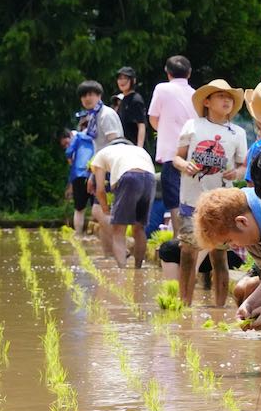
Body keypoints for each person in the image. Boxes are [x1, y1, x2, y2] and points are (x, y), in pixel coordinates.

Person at [172, 80, 248, 307]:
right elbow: (177, 157)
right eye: (220, 96)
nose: (226, 100)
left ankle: (219, 307)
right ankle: (183, 304)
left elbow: (243, 166)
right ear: (207, 101)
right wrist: (184, 165)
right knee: (188, 251)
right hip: (191, 199)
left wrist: (237, 174)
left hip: (222, 203)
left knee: (219, 255)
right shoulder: (192, 126)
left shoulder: (238, 133)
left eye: (229, 97)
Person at [193, 187, 261, 334]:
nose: (233, 246)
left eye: (230, 240)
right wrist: (249, 304)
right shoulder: (251, 233)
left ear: (241, 222)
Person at [89, 139, 156, 268]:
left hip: (129, 176)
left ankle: (122, 271)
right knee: (139, 228)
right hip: (150, 178)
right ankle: (138, 269)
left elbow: (100, 189)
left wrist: (105, 209)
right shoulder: (135, 150)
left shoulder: (99, 156)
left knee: (118, 231)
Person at [149, 56, 197, 231]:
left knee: (174, 199)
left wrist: (162, 130)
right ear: (189, 73)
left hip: (171, 153)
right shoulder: (195, 94)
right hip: (192, 155)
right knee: (191, 197)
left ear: (167, 73)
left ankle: (179, 237)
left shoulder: (162, 89)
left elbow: (153, 118)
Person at [62, 129, 96, 235]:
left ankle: (79, 235)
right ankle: (96, 236)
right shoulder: (95, 138)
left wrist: (69, 159)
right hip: (95, 173)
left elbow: (68, 152)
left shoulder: (77, 138)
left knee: (79, 209)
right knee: (97, 207)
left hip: (80, 174)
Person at [76, 80, 124, 150]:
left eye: (90, 94)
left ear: (99, 96)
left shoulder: (106, 114)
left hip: (112, 157)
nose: (87, 98)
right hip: (101, 158)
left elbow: (114, 141)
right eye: (84, 96)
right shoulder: (92, 116)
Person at [115, 67, 149, 147]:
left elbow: (141, 125)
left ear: (133, 80)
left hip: (134, 146)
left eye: (125, 78)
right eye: (120, 78)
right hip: (124, 145)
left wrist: (139, 147)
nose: (122, 81)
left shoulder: (136, 99)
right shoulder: (122, 99)